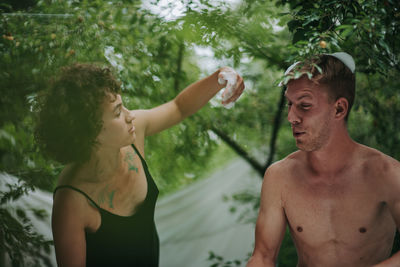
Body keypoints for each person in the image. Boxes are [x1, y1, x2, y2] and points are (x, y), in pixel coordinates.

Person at [35, 63, 244, 267]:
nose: (130, 115)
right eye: (117, 112)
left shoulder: (134, 134)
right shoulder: (71, 202)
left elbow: (178, 108)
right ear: (90, 133)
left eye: (123, 105)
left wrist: (219, 77)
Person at [247, 52, 400, 266]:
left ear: (339, 109)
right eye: (289, 104)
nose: (291, 117)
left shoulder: (387, 173)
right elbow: (262, 257)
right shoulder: (279, 176)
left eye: (304, 105)